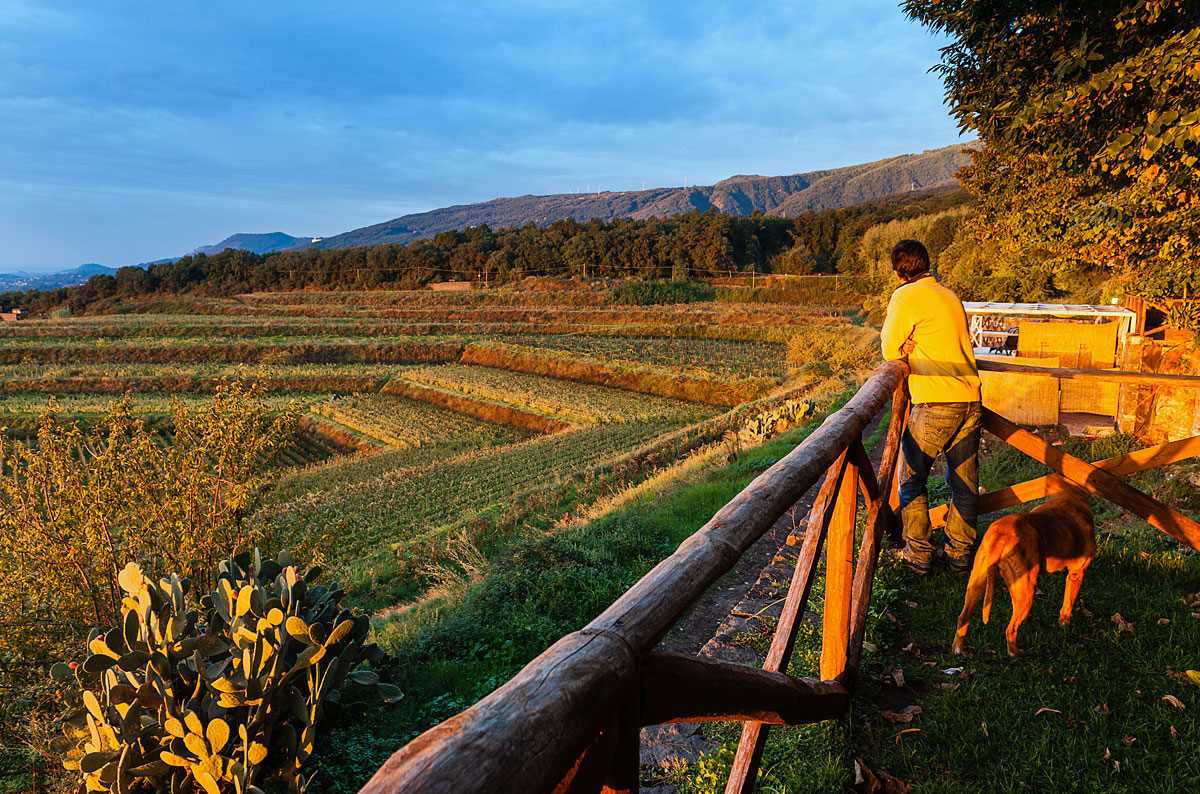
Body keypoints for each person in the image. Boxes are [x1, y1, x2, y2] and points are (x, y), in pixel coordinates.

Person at [880, 239, 982, 575]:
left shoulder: (906, 296)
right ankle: (959, 557)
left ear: (898, 271)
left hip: (936, 400)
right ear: (927, 263)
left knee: (911, 479)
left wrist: (906, 345)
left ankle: (919, 555)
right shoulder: (949, 295)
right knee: (963, 484)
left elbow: (888, 350)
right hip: (970, 399)